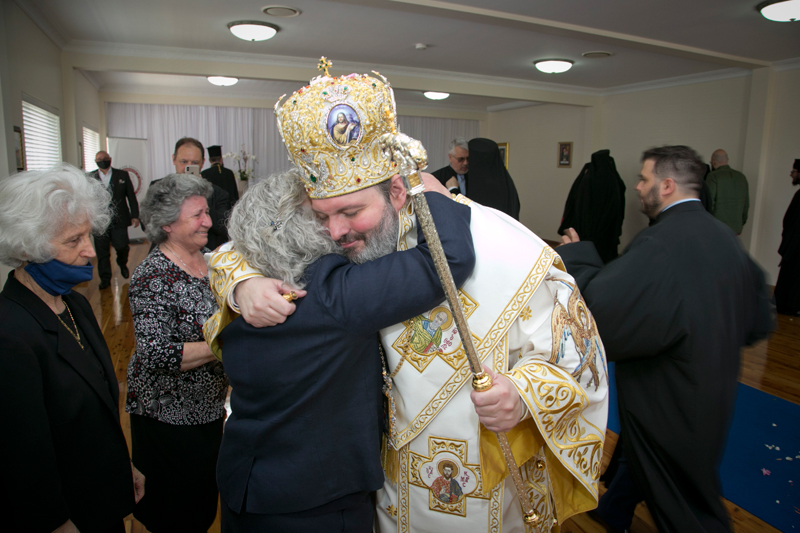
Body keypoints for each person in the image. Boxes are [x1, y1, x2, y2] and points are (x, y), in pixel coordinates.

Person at [206, 62, 608, 532]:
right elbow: (242, 243)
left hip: (470, 488)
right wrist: (240, 283)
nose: (336, 233)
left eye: (352, 212)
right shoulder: (329, 243)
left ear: (397, 191)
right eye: (322, 216)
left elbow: (578, 359)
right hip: (375, 486)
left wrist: (521, 397)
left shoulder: (506, 248)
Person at [208, 168, 475, 531]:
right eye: (319, 216)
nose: (335, 230)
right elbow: (448, 259)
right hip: (316, 503)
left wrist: (239, 282)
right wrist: (428, 189)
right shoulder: (334, 294)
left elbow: (226, 253)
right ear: (298, 226)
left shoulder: (249, 291)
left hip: (246, 485)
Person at [558, 145, 772, 533]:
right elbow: (758, 320)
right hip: (713, 383)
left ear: (667, 185)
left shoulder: (662, 243)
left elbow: (605, 308)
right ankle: (615, 510)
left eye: (644, 179)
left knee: (686, 506)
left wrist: (576, 256)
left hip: (670, 392)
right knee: (653, 463)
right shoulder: (724, 237)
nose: (637, 187)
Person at [0, 164, 144, 532]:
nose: (91, 251)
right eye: (72, 240)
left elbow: (95, 408)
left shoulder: (74, 304)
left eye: (87, 235)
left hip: (100, 497)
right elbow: (23, 455)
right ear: (28, 245)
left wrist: (121, 465)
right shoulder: (10, 333)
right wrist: (56, 522)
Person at [126, 174, 228, 533]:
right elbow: (156, 353)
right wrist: (228, 341)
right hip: (166, 417)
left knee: (200, 504)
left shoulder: (211, 263)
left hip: (208, 409)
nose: (209, 222)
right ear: (168, 224)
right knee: (168, 512)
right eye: (198, 215)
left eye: (207, 211)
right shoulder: (151, 276)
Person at [558, 149, 626, 263]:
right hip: (606, 233)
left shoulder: (590, 179)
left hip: (589, 232)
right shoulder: (613, 179)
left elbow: (575, 203)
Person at [169, 137, 231, 250]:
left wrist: (200, 195)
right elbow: (147, 225)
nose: (188, 167)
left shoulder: (218, 193)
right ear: (174, 159)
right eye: (183, 162)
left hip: (204, 256)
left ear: (202, 163)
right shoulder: (160, 188)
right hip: (168, 255)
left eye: (194, 163)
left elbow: (224, 228)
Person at [90, 150, 140, 289]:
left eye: (105, 158)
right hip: (99, 221)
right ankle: (105, 279)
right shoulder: (90, 177)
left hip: (120, 220)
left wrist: (135, 215)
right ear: (95, 161)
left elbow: (131, 196)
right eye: (99, 159)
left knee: (122, 246)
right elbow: (86, 200)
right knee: (102, 252)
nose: (102, 160)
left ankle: (122, 263)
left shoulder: (122, 175)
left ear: (110, 159)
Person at [458, 137, 521, 219]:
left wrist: (453, 189)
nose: (466, 163)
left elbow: (466, 212)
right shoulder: (505, 181)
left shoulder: (482, 185)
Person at [775, 159, 800, 316]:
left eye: (794, 172)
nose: (791, 175)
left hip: (796, 247)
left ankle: (789, 305)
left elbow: (793, 224)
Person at [706, 149, 749, 234]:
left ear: (714, 161)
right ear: (727, 160)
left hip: (716, 228)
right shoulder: (741, 177)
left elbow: (709, 202)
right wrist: (741, 223)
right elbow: (746, 204)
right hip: (736, 228)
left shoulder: (713, 176)